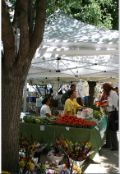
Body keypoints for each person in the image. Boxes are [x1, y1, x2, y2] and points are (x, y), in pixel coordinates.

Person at [102, 83, 119, 151]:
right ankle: (108, 144)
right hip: (110, 113)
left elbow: (115, 105)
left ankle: (115, 146)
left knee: (112, 130)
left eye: (104, 89)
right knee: (108, 130)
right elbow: (111, 102)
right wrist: (106, 103)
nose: (103, 90)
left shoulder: (113, 93)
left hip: (113, 113)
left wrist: (107, 104)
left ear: (106, 88)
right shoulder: (110, 93)